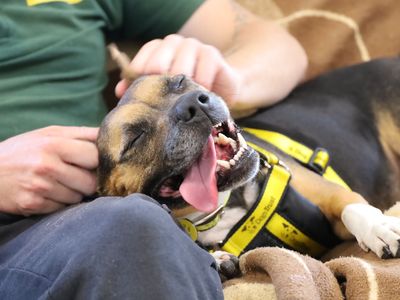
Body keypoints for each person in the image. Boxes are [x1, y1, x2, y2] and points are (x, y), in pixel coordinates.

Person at [0, 0, 307, 299]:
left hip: (97, 216)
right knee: (131, 228)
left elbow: (280, 47)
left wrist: (226, 80)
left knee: (133, 225)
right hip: (39, 236)